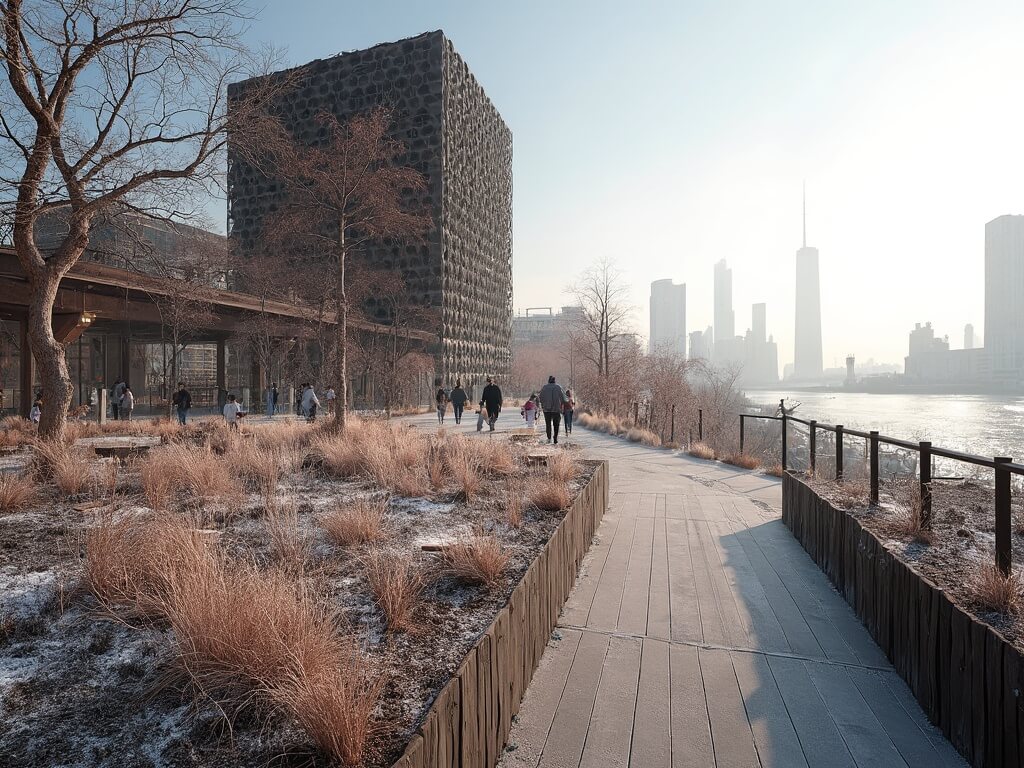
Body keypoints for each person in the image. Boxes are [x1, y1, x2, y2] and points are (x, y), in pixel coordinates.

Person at [539, 375, 568, 444]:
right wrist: (563, 404)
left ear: (548, 381)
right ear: (554, 381)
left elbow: (540, 398)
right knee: (556, 424)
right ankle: (555, 437)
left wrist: (543, 405)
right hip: (556, 409)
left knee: (548, 424)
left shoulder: (544, 387)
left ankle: (549, 438)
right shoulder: (558, 387)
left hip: (547, 410)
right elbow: (563, 399)